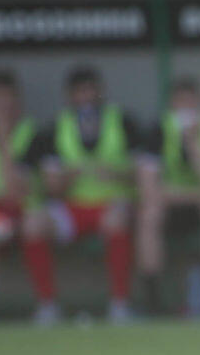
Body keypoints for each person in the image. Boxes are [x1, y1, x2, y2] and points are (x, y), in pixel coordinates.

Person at [31, 66, 140, 324]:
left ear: (101, 93)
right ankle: (47, 305)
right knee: (34, 224)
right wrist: (70, 176)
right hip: (72, 206)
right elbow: (51, 187)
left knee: (116, 220)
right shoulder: (55, 128)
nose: (86, 98)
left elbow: (141, 175)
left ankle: (120, 305)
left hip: (113, 203)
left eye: (91, 91)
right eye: (80, 92)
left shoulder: (123, 121)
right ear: (69, 96)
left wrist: (114, 174)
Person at [136, 76, 200, 316]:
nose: (186, 110)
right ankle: (153, 300)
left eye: (191, 103)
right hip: (173, 205)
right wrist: (194, 194)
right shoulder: (159, 129)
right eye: (181, 103)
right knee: (149, 214)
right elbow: (148, 188)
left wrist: (193, 146)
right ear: (172, 105)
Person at [0, 70, 47, 325]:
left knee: (34, 225)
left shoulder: (32, 133)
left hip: (23, 207)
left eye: (9, 101)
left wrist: (4, 140)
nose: (4, 108)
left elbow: (16, 189)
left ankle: (47, 305)